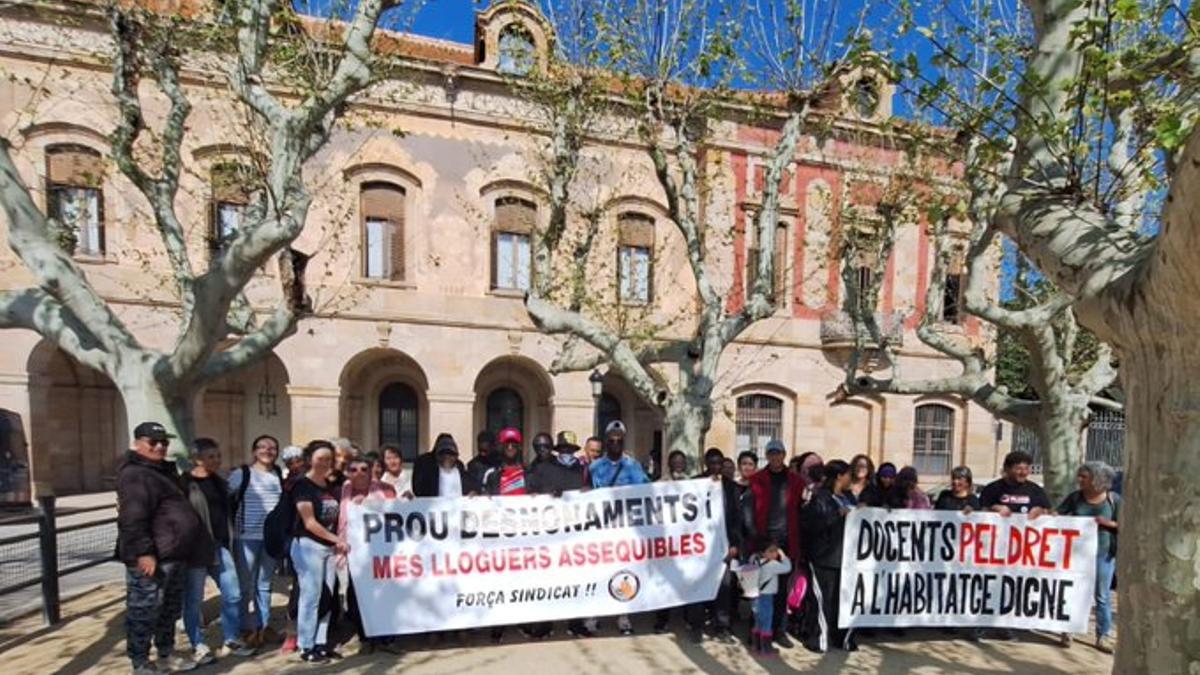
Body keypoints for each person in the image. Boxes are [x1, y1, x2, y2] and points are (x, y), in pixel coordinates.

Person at [117, 421, 213, 675]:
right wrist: (144, 553)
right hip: (153, 556)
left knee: (168, 610)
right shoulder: (135, 474)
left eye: (164, 442)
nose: (160, 446)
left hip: (174, 553)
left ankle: (165, 654)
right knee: (144, 610)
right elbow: (133, 518)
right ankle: (140, 661)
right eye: (153, 442)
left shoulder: (163, 470)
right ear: (137, 443)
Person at [181, 438, 253, 664]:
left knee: (233, 593)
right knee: (194, 599)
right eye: (211, 456)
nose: (217, 460)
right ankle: (198, 644)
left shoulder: (220, 482)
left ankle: (231, 638)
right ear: (197, 459)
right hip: (194, 550)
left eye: (218, 455)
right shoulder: (183, 483)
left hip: (220, 546)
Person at [528, 431, 596, 639]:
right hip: (549, 535)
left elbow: (592, 491)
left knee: (576, 579)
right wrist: (547, 493)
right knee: (548, 580)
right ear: (558, 450)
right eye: (563, 449)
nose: (567, 453)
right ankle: (545, 623)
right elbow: (531, 493)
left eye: (570, 450)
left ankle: (575, 623)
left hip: (575, 535)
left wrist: (588, 491)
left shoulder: (583, 469)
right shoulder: (544, 468)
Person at [980, 450, 1051, 641]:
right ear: (1007, 469)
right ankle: (985, 624)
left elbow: (1050, 513)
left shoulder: (1036, 491)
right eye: (1019, 468)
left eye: (1026, 468)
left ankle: (1006, 625)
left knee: (1015, 587)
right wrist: (995, 508)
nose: (1023, 472)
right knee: (991, 585)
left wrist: (1040, 511)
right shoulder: (993, 489)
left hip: (1023, 552)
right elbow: (980, 512)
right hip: (994, 549)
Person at [588, 420, 650, 635]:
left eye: (619, 440)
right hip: (602, 528)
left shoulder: (633, 466)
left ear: (623, 442)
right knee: (598, 571)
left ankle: (623, 617)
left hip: (626, 529)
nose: (615, 444)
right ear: (606, 442)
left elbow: (646, 491)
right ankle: (593, 615)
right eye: (611, 440)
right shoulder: (595, 467)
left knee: (624, 572)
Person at [483, 428, 543, 642]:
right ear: (501, 447)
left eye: (514, 444)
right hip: (501, 536)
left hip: (524, 536)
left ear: (519, 447)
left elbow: (541, 499)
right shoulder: (492, 475)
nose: (510, 447)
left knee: (523, 580)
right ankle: (498, 623)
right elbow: (484, 501)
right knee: (500, 581)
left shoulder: (530, 473)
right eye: (507, 444)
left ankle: (522, 619)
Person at [1057, 461, 1120, 653]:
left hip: (1103, 554)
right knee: (1072, 591)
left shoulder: (1113, 500)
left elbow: (1125, 524)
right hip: (1076, 554)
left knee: (1102, 596)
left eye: (1084, 476)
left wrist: (1106, 523)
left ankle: (1103, 635)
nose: (1079, 480)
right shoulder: (1075, 498)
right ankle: (1068, 630)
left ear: (1097, 480)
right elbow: (1057, 514)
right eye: (1080, 476)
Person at [337, 456, 398, 655]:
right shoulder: (342, 493)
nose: (359, 473)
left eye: (364, 469)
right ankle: (365, 638)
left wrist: (406, 501)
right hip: (355, 554)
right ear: (347, 473)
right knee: (357, 597)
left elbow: (397, 514)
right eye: (354, 470)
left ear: (372, 471)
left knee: (385, 595)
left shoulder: (386, 490)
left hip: (383, 553)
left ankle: (387, 639)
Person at [228, 434, 283, 648]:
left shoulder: (278, 474)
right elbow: (226, 498)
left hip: (270, 537)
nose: (267, 451)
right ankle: (245, 628)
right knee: (245, 586)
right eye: (262, 447)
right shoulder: (241, 474)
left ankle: (263, 625)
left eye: (272, 447)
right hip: (246, 537)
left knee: (265, 584)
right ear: (254, 451)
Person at [290, 441, 342, 664]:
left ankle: (321, 642)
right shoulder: (303, 486)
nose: (325, 463)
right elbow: (309, 522)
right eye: (320, 458)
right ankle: (306, 644)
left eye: (328, 459)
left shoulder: (329, 486)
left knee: (327, 596)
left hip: (328, 548)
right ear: (310, 459)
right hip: (308, 546)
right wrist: (337, 539)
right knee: (310, 596)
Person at [748, 440, 803, 647]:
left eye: (778, 453)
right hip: (765, 541)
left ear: (784, 454)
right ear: (767, 455)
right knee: (762, 590)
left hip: (787, 541)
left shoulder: (796, 481)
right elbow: (750, 512)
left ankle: (779, 630)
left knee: (781, 591)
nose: (775, 457)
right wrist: (759, 541)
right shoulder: (757, 479)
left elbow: (802, 509)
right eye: (771, 453)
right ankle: (759, 630)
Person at [799, 459, 856, 653]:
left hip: (846, 558)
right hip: (823, 557)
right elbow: (811, 526)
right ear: (839, 476)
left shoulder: (849, 497)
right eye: (848, 475)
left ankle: (841, 638)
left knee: (842, 600)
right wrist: (836, 515)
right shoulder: (820, 498)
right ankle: (818, 638)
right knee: (823, 600)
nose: (850, 479)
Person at [748, 543, 792, 657]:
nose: (775, 554)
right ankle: (766, 649)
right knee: (767, 623)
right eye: (771, 551)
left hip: (756, 596)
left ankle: (755, 646)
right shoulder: (773, 564)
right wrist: (784, 556)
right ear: (765, 553)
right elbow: (787, 568)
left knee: (758, 622)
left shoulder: (756, 561)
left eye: (776, 551)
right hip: (767, 597)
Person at [413, 434, 478, 497]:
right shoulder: (429, 476)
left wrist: (473, 494)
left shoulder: (463, 474)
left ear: (456, 456)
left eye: (451, 453)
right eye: (442, 453)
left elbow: (473, 490)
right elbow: (420, 493)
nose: (447, 456)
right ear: (437, 456)